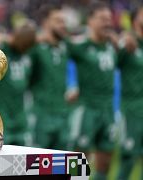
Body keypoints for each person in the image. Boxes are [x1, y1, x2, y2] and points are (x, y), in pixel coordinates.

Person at [67, 2, 116, 179]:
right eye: (102, 19)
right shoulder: (80, 45)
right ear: (90, 21)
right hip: (87, 109)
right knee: (78, 159)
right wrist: (70, 87)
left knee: (106, 161)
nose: (107, 23)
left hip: (108, 110)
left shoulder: (113, 45)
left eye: (109, 19)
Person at [29, 4, 71, 150]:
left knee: (61, 166)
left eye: (64, 21)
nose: (63, 25)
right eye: (58, 21)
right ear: (46, 22)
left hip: (63, 114)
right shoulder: (34, 47)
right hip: (40, 115)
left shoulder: (65, 47)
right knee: (36, 167)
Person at [0, 20, 36, 146]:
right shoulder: (2, 50)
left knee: (25, 159)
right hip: (2, 116)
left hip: (21, 117)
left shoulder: (29, 56)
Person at [117, 6, 143, 180]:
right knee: (128, 160)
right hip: (132, 111)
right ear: (135, 20)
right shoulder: (127, 43)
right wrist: (122, 42)